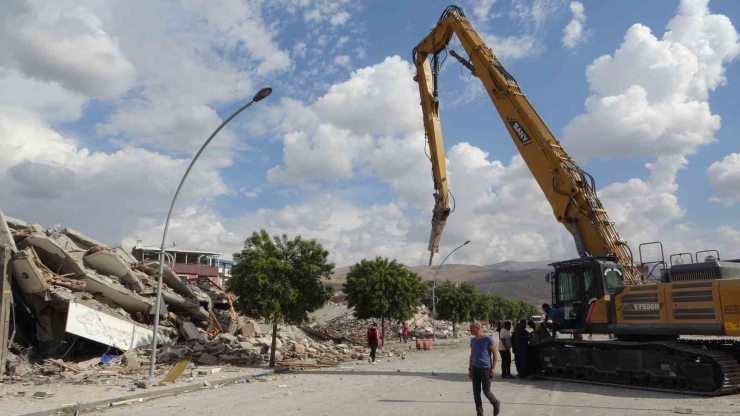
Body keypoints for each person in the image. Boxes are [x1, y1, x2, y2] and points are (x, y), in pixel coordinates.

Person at [468, 322, 501, 416]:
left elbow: (494, 353)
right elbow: (472, 354)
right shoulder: (473, 340)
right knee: (476, 393)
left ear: (477, 328)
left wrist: (493, 367)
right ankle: (479, 413)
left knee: (486, 391)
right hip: (475, 368)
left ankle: (495, 403)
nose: (470, 330)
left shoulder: (488, 339)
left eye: (471, 328)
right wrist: (470, 369)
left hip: (486, 369)